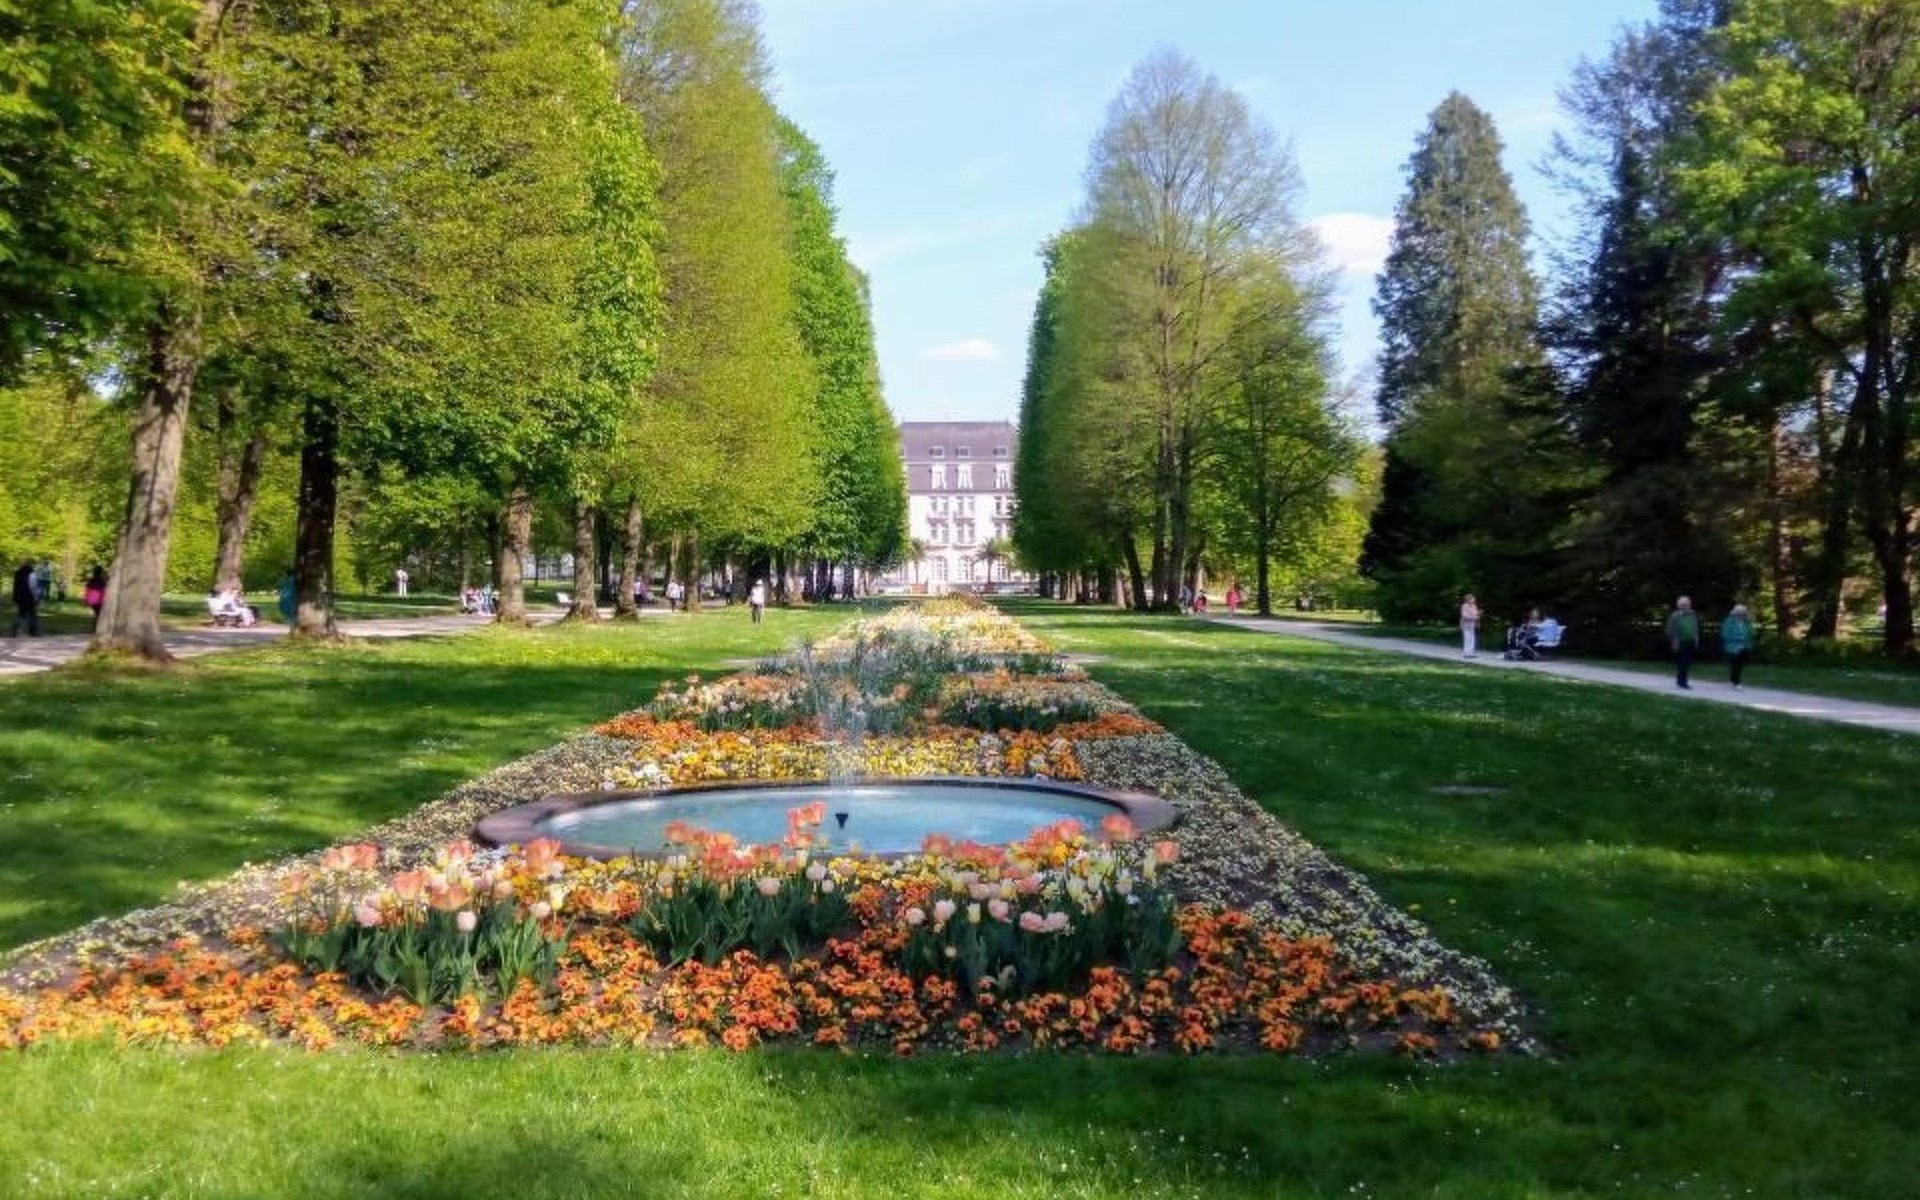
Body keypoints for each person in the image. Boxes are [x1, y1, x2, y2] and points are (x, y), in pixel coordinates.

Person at [1666, 595, 1701, 689]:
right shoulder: (1675, 616)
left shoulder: (1692, 615)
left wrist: (1696, 639)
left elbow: (1695, 628)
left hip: (1691, 641)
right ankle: (1683, 682)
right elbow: (1669, 630)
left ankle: (1681, 680)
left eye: (1687, 604)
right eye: (1683, 605)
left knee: (1687, 662)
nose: (1686, 606)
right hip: (1680, 642)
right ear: (1679, 605)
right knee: (1683, 662)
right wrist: (1674, 640)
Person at [1721, 602, 1755, 689]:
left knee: (1740, 664)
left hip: (1745, 646)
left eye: (1743, 613)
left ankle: (1733, 680)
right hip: (1733, 647)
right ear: (1735, 613)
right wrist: (1738, 638)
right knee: (1735, 664)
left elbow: (1751, 632)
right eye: (1739, 613)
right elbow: (1725, 634)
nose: (1741, 615)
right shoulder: (1729, 621)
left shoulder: (1746, 622)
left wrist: (1747, 637)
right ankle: (1737, 682)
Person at [10, 561, 40, 637]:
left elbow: (15, 586)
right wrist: (36, 597)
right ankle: (33, 632)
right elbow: (33, 586)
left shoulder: (17, 573)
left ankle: (14, 630)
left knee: (21, 614)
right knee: (32, 614)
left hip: (19, 597)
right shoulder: (31, 574)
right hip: (29, 597)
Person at [83, 566, 107, 630]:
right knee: (98, 614)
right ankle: (95, 627)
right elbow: (104, 588)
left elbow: (87, 589)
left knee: (97, 613)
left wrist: (86, 599)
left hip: (92, 599)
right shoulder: (102, 580)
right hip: (99, 599)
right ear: (100, 572)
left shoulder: (91, 580)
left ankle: (94, 627)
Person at [1459, 593, 1480, 658]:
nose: (1474, 599)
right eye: (1472, 598)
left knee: (1472, 638)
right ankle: (1466, 653)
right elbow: (1464, 615)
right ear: (1468, 599)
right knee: (1467, 638)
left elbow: (1476, 614)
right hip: (1466, 624)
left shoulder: (1474, 606)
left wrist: (1477, 616)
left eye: (1473, 598)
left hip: (1472, 624)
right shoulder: (1464, 606)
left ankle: (1471, 652)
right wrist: (1474, 617)